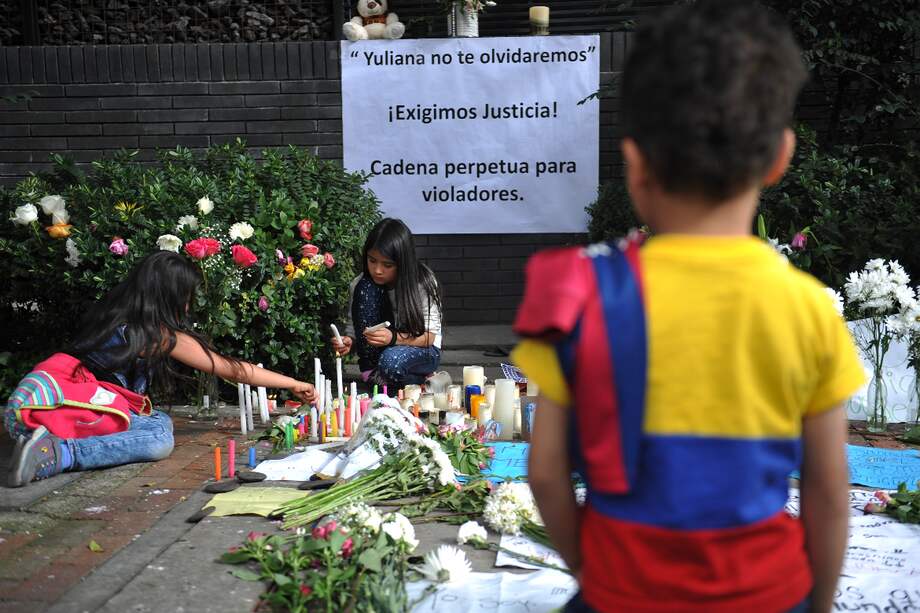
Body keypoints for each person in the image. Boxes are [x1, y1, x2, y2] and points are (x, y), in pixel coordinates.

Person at [512, 2, 865, 612]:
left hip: (622, 591)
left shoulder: (580, 295)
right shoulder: (807, 310)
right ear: (781, 156)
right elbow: (830, 493)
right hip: (770, 594)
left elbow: (545, 475)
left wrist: (595, 577)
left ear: (635, 164)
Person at [5, 251, 316, 488]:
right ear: (171, 296)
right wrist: (292, 383)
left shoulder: (113, 316)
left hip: (31, 405)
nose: (188, 307)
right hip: (53, 412)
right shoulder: (155, 335)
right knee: (158, 438)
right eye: (186, 298)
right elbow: (231, 370)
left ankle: (44, 445)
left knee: (158, 420)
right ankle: (60, 455)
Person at [331, 218, 442, 388]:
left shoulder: (422, 282)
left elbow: (429, 337)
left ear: (402, 263)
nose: (377, 270)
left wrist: (394, 338)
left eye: (387, 265)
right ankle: (392, 379)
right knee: (365, 287)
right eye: (372, 260)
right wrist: (349, 342)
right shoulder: (360, 284)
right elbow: (356, 330)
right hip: (376, 359)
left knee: (391, 362)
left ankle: (399, 380)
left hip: (422, 350)